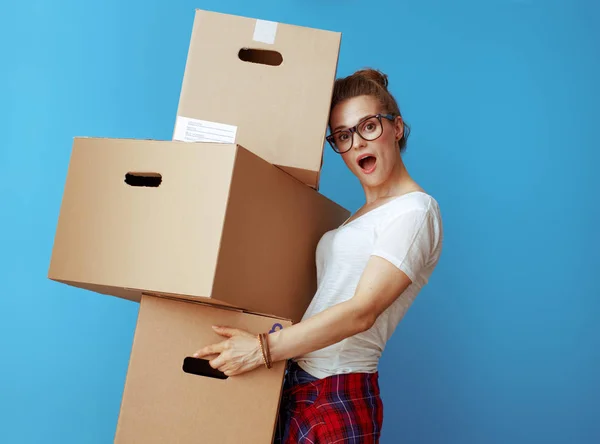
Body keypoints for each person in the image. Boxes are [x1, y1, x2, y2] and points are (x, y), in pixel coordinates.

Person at [193, 68, 444, 443]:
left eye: (369, 127)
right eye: (343, 135)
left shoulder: (415, 210)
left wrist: (262, 349)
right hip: (299, 383)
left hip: (338, 391)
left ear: (397, 128)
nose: (357, 143)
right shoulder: (355, 218)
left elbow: (363, 311)